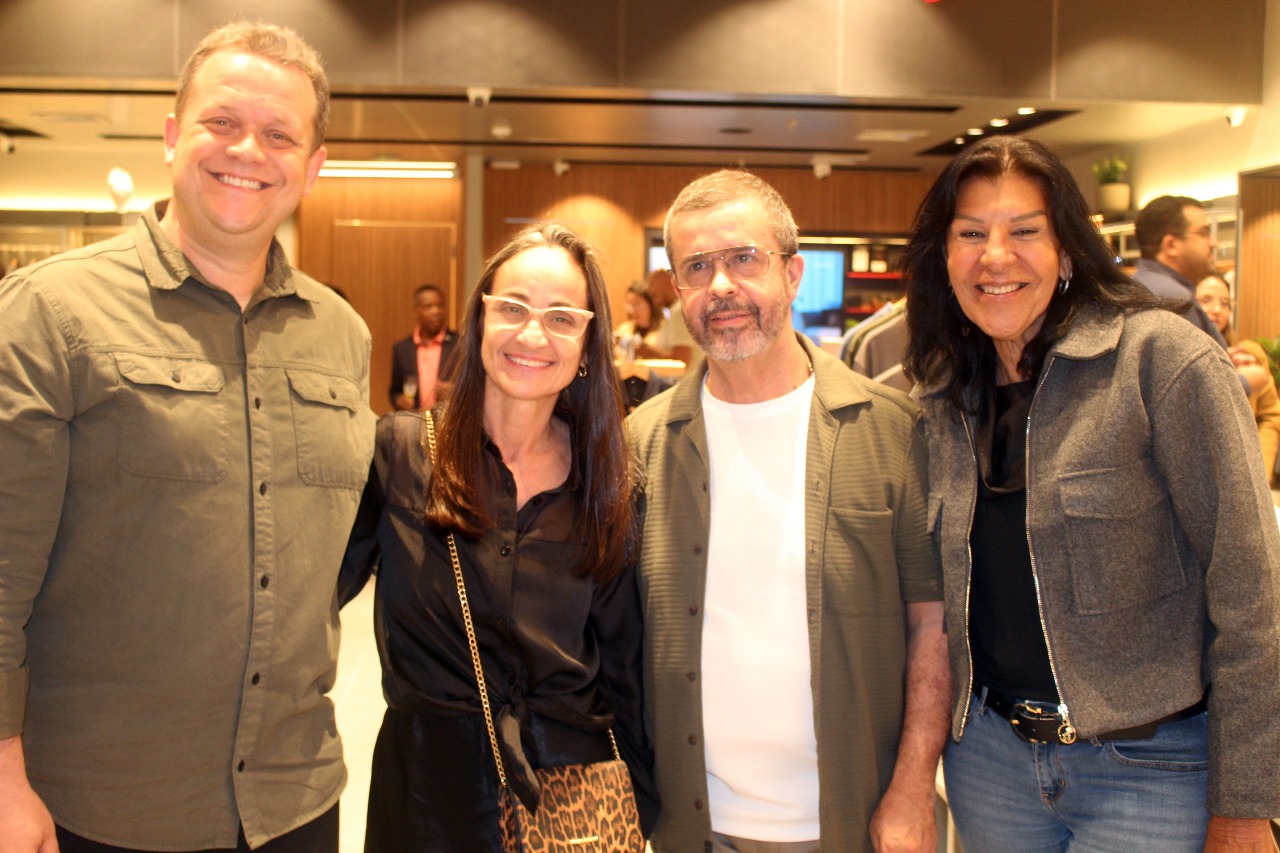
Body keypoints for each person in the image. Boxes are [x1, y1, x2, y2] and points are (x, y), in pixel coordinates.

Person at [0, 21, 376, 853]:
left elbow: (331, 554)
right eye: (222, 121)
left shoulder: (341, 335)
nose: (247, 150)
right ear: (173, 135)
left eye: (279, 134)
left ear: (313, 166)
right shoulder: (50, 312)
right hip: (102, 804)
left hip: (294, 800)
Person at [902, 135, 1280, 852]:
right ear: (944, 258)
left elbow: (1251, 594)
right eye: (971, 234)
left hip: (1151, 770)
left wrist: (1246, 804)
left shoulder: (1159, 362)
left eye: (1024, 232)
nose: (995, 256)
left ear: (1069, 251)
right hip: (990, 763)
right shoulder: (942, 393)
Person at [629, 169, 949, 853]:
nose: (721, 286)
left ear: (793, 273)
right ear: (677, 288)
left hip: (854, 822)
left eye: (744, 258)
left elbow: (933, 624)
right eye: (697, 267)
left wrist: (914, 786)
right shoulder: (640, 444)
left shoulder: (893, 431)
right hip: (690, 827)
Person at [341, 222, 658, 851]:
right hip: (426, 796)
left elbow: (624, 663)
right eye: (512, 308)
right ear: (480, 320)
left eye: (562, 318)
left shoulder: (609, 483)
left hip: (572, 799)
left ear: (588, 344)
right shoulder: (402, 453)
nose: (533, 335)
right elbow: (306, 598)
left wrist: (639, 802)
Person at [1133, 195, 1271, 398]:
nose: (1213, 243)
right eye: (1203, 233)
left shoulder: (1135, 286)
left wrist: (1223, 360)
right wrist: (1246, 382)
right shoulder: (1175, 300)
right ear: (1171, 245)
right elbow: (1193, 394)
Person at [1197, 273, 1280, 484]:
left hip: (1248, 477)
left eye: (1225, 303)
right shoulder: (1177, 360)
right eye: (1206, 300)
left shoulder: (1250, 354)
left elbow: (1270, 416)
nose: (1217, 309)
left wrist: (1261, 471)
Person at [390, 282, 458, 410]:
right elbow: (395, 392)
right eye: (428, 306)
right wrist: (399, 400)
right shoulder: (402, 349)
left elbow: (476, 385)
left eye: (440, 305)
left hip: (449, 418)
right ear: (415, 311)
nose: (436, 311)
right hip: (415, 419)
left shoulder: (460, 344)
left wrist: (456, 390)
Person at [636, 266, 697, 363]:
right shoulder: (674, 311)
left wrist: (650, 352)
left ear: (669, 284)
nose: (654, 302)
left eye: (655, 295)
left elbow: (681, 360)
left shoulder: (679, 311)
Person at [614, 279, 664, 358]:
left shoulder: (663, 330)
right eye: (630, 305)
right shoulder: (624, 330)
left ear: (651, 305)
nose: (633, 311)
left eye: (638, 305)